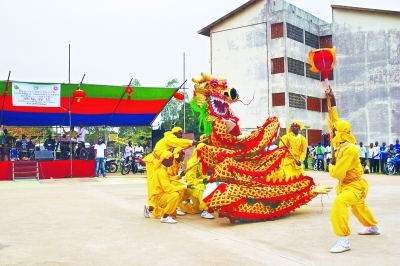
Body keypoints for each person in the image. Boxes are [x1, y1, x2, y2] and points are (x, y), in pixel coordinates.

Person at [326, 86, 379, 254]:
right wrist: (331, 97)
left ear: (340, 134)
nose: (332, 131)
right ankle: (372, 226)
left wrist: (331, 165)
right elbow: (334, 120)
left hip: (354, 186)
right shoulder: (342, 144)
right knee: (359, 207)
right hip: (349, 185)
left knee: (340, 202)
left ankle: (343, 241)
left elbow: (338, 173)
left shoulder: (350, 150)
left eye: (335, 131)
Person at [143, 127, 198, 217]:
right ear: (175, 133)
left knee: (171, 188)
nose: (181, 135)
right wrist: (191, 142)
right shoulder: (170, 138)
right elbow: (177, 142)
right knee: (154, 187)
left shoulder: (175, 161)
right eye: (180, 133)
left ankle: (169, 206)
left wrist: (179, 177)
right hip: (153, 161)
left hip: (157, 164)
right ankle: (151, 206)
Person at [147, 150, 193, 224]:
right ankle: (165, 217)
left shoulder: (162, 169)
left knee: (178, 191)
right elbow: (168, 188)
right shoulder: (161, 171)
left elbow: (169, 180)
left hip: (159, 194)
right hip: (158, 197)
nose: (172, 162)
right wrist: (184, 186)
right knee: (175, 195)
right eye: (171, 160)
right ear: (165, 160)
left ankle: (149, 208)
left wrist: (179, 176)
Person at [180, 143, 214, 219]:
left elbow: (202, 176)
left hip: (197, 185)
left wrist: (207, 179)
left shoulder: (201, 162)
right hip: (192, 186)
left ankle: (180, 206)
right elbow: (190, 180)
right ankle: (205, 211)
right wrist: (202, 181)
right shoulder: (192, 162)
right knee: (203, 187)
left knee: (196, 209)